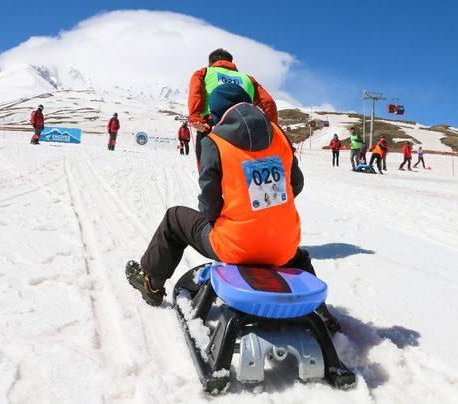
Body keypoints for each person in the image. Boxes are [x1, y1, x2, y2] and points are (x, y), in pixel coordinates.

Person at [126, 83, 340, 331]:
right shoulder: (278, 133)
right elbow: (297, 184)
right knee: (297, 255)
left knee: (174, 218)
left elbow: (209, 206)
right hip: (283, 248)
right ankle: (319, 311)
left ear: (216, 114)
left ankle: (151, 283)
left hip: (234, 247)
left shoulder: (214, 141)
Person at [188, 48, 278, 164]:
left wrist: (195, 117)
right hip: (248, 127)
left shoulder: (204, 72)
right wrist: (272, 127)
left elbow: (195, 94)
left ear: (211, 63)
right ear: (231, 62)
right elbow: (269, 102)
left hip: (213, 125)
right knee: (245, 170)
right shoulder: (248, 79)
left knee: (210, 173)